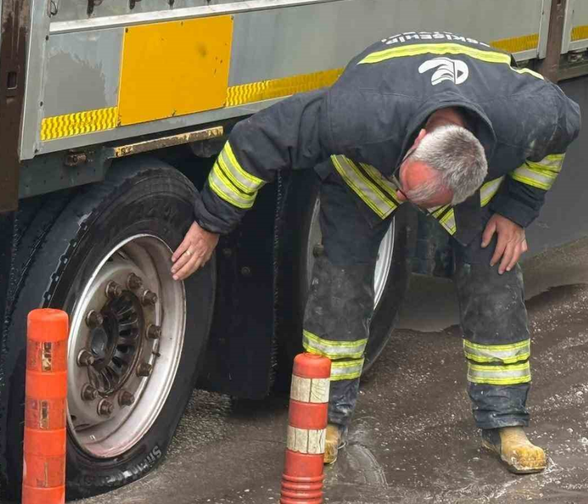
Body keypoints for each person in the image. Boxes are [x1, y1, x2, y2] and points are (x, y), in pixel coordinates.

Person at [170, 32, 581, 474]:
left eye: (418, 201)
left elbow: (558, 141)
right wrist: (211, 222)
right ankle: (326, 420)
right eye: (406, 186)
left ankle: (506, 424)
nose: (404, 200)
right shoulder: (357, 113)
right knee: (340, 284)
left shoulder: (531, 118)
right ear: (419, 138)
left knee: (494, 274)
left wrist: (516, 211)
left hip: (458, 174)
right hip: (364, 171)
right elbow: (256, 140)